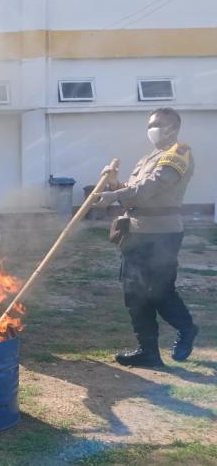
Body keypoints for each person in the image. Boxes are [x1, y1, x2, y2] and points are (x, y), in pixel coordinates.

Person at [94, 107, 199, 367]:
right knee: (135, 293)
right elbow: (133, 193)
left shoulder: (179, 153)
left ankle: (187, 328)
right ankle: (148, 352)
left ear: (173, 128)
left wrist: (115, 195)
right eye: (150, 124)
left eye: (157, 124)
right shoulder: (148, 158)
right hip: (136, 233)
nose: (152, 129)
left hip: (161, 234)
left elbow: (150, 188)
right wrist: (115, 184)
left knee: (160, 292)